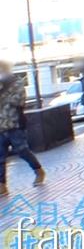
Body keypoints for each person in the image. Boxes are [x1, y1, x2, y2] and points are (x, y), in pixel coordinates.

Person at [0, 61, 45, 195]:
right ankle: (2, 185)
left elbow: (19, 101)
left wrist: (3, 93)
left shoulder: (16, 82)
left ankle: (38, 171)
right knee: (0, 157)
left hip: (14, 124)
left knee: (22, 151)